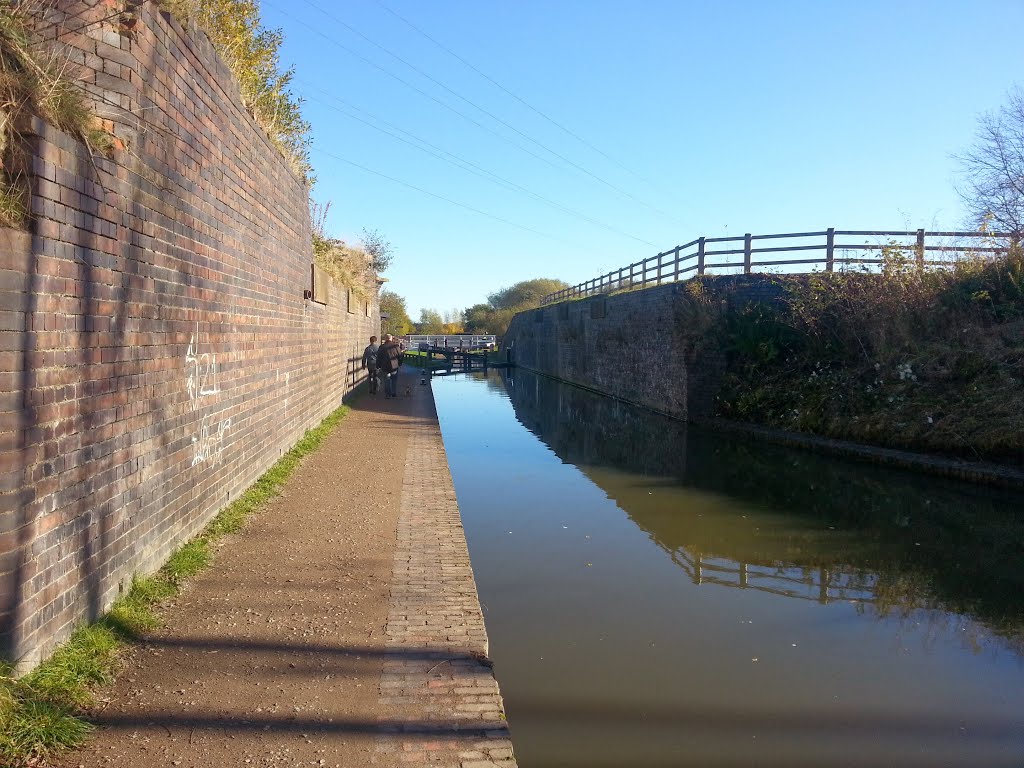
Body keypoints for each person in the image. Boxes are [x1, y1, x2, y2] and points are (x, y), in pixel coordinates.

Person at [376, 333, 403, 398]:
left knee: (386, 380)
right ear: (391, 338)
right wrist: (399, 363)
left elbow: (379, 357)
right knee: (394, 379)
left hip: (385, 366)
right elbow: (400, 356)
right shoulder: (396, 346)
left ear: (385, 339)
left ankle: (388, 394)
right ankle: (393, 392)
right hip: (394, 366)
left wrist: (378, 365)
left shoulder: (382, 347)